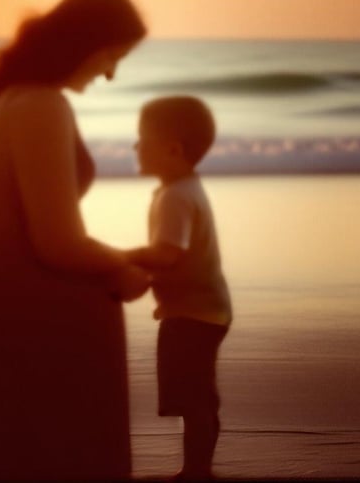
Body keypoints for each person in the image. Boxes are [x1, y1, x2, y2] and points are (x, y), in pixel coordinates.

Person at [0, 0, 151, 481]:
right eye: (113, 56)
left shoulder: (12, 100)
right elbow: (56, 244)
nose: (111, 74)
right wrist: (124, 268)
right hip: (23, 322)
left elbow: (41, 232)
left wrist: (121, 256)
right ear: (89, 45)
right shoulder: (42, 106)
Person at [129, 96, 232, 481]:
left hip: (194, 313)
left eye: (142, 139)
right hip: (205, 309)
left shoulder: (175, 196)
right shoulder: (186, 188)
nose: (135, 147)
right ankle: (198, 467)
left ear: (173, 149)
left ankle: (196, 471)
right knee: (199, 393)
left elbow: (167, 254)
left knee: (194, 397)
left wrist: (123, 259)